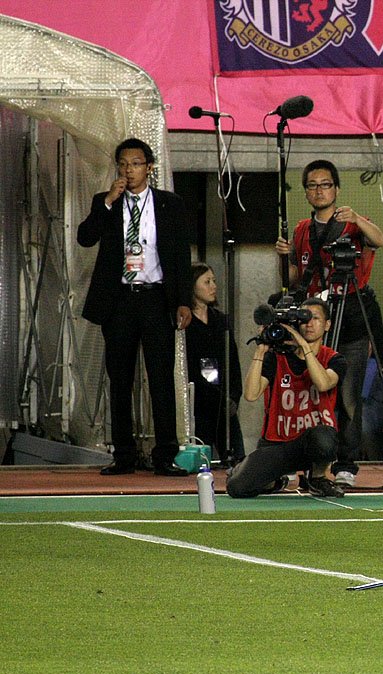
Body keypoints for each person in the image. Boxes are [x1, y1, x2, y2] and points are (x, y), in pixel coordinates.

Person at [76, 138, 192, 477]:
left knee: (160, 378)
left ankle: (165, 454)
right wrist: (107, 203)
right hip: (120, 299)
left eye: (136, 164)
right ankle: (124, 454)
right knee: (120, 378)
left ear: (149, 167)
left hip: (156, 296)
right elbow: (85, 237)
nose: (129, 170)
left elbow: (181, 256)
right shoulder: (106, 202)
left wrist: (183, 300)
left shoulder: (170, 204)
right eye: (123, 164)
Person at [273, 159, 383, 485]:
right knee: (310, 390)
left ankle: (346, 464)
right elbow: (295, 279)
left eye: (325, 184)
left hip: (352, 312)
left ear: (336, 188)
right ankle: (310, 459)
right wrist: (283, 256)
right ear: (306, 192)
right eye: (312, 185)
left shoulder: (352, 223)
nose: (319, 191)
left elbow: (379, 240)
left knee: (348, 394)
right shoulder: (301, 230)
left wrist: (358, 219)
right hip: (315, 314)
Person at [226, 298, 350, 498]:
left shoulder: (334, 359)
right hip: (278, 444)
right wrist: (261, 351)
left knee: (324, 438)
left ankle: (317, 478)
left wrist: (303, 346)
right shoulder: (277, 358)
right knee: (237, 487)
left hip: (312, 442)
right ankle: (275, 481)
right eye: (304, 319)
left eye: (315, 318)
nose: (308, 324)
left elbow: (323, 383)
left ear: (327, 325)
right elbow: (250, 394)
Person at [185, 263, 244, 465]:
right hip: (199, 401)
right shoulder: (186, 324)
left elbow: (233, 361)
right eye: (207, 282)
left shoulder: (220, 320)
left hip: (224, 400)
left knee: (237, 457)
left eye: (214, 281)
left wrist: (234, 395)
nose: (213, 286)